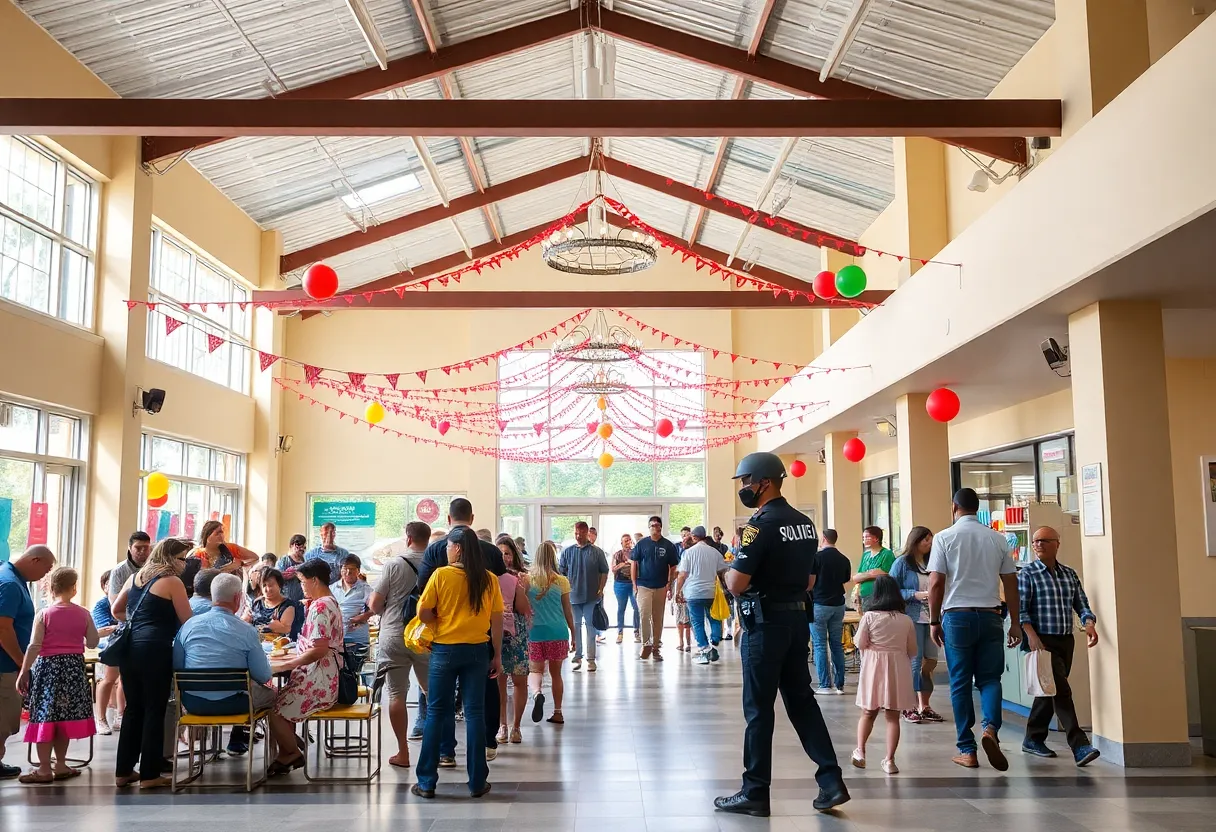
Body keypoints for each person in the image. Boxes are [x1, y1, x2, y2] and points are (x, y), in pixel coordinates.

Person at [714, 452, 848, 817]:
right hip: (795, 623)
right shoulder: (805, 525)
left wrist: (728, 573)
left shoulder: (759, 526)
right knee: (802, 702)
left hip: (765, 625)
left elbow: (738, 583)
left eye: (746, 482)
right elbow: (809, 580)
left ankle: (754, 791)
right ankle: (831, 781)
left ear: (764, 482)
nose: (743, 489)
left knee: (758, 710)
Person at [928, 488, 1021, 771]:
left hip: (958, 618)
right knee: (990, 679)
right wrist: (1015, 621)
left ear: (954, 506)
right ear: (976, 507)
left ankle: (966, 749)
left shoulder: (944, 537)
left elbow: (935, 584)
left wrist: (933, 620)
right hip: (992, 615)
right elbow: (1011, 584)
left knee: (959, 683)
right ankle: (990, 728)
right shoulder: (997, 539)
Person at [411, 527, 504, 800]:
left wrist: (441, 616)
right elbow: (496, 620)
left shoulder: (441, 576)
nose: (446, 550)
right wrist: (496, 654)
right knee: (475, 713)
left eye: (449, 546)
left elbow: (424, 613)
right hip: (477, 651)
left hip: (444, 651)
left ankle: (427, 782)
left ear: (458, 549)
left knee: (437, 712)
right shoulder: (488, 579)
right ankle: (477, 782)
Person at [111, 538, 194, 789]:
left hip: (130, 649)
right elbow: (187, 620)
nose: (184, 565)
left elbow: (116, 609)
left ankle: (123, 771)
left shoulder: (136, 577)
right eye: (182, 559)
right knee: (155, 709)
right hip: (155, 650)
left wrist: (142, 620)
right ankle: (149, 774)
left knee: (133, 709)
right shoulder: (172, 582)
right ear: (170, 559)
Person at [1018, 526, 1101, 766]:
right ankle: (1079, 745)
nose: (1038, 545)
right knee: (1062, 691)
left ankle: (1033, 738)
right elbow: (1022, 610)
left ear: (1057, 544)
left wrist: (1089, 622)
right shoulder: (1028, 574)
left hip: (1065, 639)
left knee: (1049, 690)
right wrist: (1031, 637)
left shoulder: (1069, 574)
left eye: (1044, 541)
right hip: (1042, 640)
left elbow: (1081, 603)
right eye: (1035, 542)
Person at [173, 573, 276, 757]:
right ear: (237, 598)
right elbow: (263, 676)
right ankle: (282, 755)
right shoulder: (247, 631)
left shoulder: (187, 627)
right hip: (236, 704)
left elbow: (177, 667)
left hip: (193, 703)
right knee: (276, 695)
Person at [15, 564, 97, 783]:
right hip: (73, 670)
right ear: (74, 588)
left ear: (51, 588)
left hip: (47, 670)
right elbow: (93, 642)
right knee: (64, 718)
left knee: (45, 716)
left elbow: (34, 646)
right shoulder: (83, 613)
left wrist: (24, 672)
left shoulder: (44, 614)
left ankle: (43, 768)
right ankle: (60, 764)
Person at [266, 559, 343, 776]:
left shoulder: (320, 606)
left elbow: (319, 649)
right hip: (324, 673)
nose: (301, 586)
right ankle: (289, 746)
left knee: (274, 710)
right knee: (279, 700)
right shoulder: (328, 602)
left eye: (302, 582)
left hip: (319, 677)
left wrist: (291, 663)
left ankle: (289, 752)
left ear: (315, 580)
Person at [369, 520, 430, 768]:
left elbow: (374, 604)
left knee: (396, 694)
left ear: (408, 538)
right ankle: (437, 750)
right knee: (433, 693)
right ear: (428, 539)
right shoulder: (437, 565)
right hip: (426, 637)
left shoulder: (394, 564)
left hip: (394, 634)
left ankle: (403, 752)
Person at [851, 575, 917, 776]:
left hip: (873, 667)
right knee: (893, 717)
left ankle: (860, 752)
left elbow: (859, 643)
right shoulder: (906, 620)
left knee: (868, 712)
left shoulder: (869, 617)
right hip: (897, 667)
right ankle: (889, 761)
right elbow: (912, 650)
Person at [2, 546, 57, 780]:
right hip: (4, 666)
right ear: (35, 560)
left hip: (9, 664)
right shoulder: (10, 584)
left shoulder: (14, 579)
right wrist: (20, 663)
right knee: (3, 718)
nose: (45, 575)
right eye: (46, 568)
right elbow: (3, 628)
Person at [889, 527, 943, 723]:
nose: (929, 544)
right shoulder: (902, 563)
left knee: (930, 662)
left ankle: (924, 705)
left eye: (931, 540)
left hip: (931, 618)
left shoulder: (933, 562)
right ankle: (908, 705)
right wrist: (913, 594)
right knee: (914, 662)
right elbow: (892, 590)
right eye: (925, 540)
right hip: (911, 617)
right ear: (915, 541)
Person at [525, 541, 573, 725]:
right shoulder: (562, 581)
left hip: (535, 632)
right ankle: (558, 712)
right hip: (558, 632)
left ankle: (537, 694)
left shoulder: (528, 580)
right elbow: (568, 610)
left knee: (535, 670)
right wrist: (575, 634)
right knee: (556, 674)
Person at [495, 535, 531, 745]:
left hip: (517, 633)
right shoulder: (487, 577)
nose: (504, 557)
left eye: (507, 553)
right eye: (500, 553)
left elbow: (524, 608)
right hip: (496, 632)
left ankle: (516, 726)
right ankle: (502, 725)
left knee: (519, 680)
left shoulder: (521, 577)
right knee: (499, 681)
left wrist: (521, 588)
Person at [558, 521, 608, 672]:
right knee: (575, 626)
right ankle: (578, 656)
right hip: (573, 597)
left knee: (591, 628)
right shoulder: (567, 552)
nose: (578, 536)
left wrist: (600, 588)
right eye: (576, 534)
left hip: (591, 597)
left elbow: (604, 571)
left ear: (587, 533)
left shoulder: (596, 552)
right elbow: (562, 572)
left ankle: (591, 659)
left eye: (581, 533)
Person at [674, 526, 728, 665]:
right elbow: (723, 572)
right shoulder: (715, 553)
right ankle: (714, 645)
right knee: (714, 619)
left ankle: (704, 651)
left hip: (693, 593)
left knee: (697, 622)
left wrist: (677, 591)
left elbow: (682, 575)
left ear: (694, 537)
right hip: (711, 592)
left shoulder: (688, 553)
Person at [810, 529, 852, 695]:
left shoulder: (816, 558)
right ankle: (840, 684)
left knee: (820, 644)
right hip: (838, 605)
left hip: (820, 604)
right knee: (837, 644)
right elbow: (845, 579)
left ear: (824, 539)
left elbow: (810, 582)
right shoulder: (844, 559)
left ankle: (825, 684)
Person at [631, 516, 679, 661]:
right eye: (652, 525)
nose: (654, 528)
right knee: (644, 614)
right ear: (649, 527)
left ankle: (656, 647)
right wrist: (634, 584)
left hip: (661, 586)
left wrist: (669, 583)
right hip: (643, 585)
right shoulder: (642, 544)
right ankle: (646, 644)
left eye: (657, 525)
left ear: (661, 527)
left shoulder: (668, 546)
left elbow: (673, 566)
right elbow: (634, 563)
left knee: (658, 618)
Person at [184, 522, 259, 594]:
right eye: (217, 533)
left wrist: (241, 565)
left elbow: (255, 558)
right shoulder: (197, 554)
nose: (221, 535)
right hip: (207, 592)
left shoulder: (231, 548)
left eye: (222, 532)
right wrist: (226, 569)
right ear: (207, 536)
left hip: (231, 590)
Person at [92, 570, 123, 736]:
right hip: (108, 648)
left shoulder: (126, 601)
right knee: (108, 680)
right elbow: (103, 630)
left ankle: (120, 715)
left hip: (125, 645)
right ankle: (101, 718)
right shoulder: (101, 605)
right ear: (104, 586)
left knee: (125, 680)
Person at [331, 553, 373, 672]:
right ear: (341, 570)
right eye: (345, 568)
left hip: (357, 640)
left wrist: (363, 616)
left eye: (352, 569)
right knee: (338, 676)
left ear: (358, 571)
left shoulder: (365, 588)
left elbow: (377, 607)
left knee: (354, 675)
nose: (348, 572)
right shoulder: (332, 588)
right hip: (337, 640)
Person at [245, 568, 300, 640]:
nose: (267, 589)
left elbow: (286, 629)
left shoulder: (287, 605)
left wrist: (275, 626)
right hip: (255, 643)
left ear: (279, 585)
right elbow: (246, 621)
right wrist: (246, 620)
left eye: (271, 585)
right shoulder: (256, 603)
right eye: (264, 585)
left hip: (278, 646)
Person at [852, 527, 895, 612]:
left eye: (867, 537)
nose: (864, 540)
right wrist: (870, 574)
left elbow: (884, 573)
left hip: (880, 595)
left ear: (876, 538)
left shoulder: (887, 554)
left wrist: (865, 575)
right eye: (863, 537)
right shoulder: (866, 555)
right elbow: (856, 577)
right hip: (864, 594)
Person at [108, 532, 152, 607]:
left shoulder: (155, 567)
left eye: (145, 547)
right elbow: (114, 602)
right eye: (138, 548)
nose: (142, 551)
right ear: (130, 548)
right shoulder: (118, 571)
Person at [610, 534, 640, 644]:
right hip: (620, 584)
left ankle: (637, 631)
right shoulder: (617, 555)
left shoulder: (636, 553)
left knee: (636, 608)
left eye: (629, 540)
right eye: (625, 541)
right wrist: (624, 563)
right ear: (621, 543)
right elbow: (613, 569)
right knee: (621, 608)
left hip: (633, 584)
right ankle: (620, 633)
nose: (627, 542)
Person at [276, 534, 308, 602]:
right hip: (286, 599)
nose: (302, 549)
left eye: (304, 547)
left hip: (301, 600)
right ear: (291, 545)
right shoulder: (283, 561)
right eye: (299, 546)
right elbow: (277, 577)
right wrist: (294, 573)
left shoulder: (305, 561)